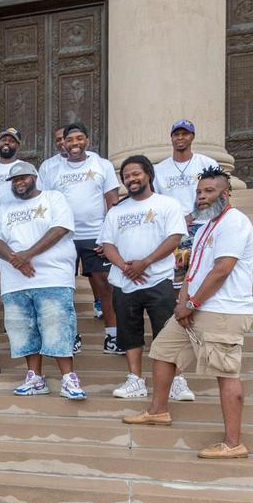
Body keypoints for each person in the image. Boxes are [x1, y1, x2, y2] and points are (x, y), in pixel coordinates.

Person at [124, 168, 253, 459]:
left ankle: (233, 443)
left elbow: (222, 270)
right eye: (199, 192)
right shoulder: (205, 226)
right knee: (162, 351)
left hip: (223, 310)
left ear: (225, 194)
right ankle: (158, 410)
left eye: (209, 192)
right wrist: (182, 301)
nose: (202, 197)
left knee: (225, 373)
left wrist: (192, 304)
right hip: (195, 307)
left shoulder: (234, 223)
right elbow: (192, 269)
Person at [0, 161, 86, 399]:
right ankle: (35, 378)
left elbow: (60, 229)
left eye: (23, 178)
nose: (19, 183)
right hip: (16, 281)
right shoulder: (4, 208)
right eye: (15, 180)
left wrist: (27, 255)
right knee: (23, 330)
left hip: (52, 276)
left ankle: (68, 379)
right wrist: (15, 260)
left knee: (58, 327)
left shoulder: (54, 198)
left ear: (34, 177)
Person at [99, 156, 188, 400]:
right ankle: (135, 380)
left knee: (167, 332)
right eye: (126, 176)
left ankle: (177, 380)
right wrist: (125, 267)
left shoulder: (167, 204)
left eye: (136, 174)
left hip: (158, 279)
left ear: (148, 174)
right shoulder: (116, 211)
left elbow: (174, 238)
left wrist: (145, 263)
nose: (131, 179)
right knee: (129, 332)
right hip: (124, 283)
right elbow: (107, 244)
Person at [38, 122, 120, 353]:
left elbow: (112, 202)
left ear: (87, 140)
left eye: (79, 139)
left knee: (105, 284)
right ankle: (71, 335)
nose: (74, 144)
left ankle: (112, 335)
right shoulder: (50, 168)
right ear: (63, 143)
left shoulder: (102, 165)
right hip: (63, 236)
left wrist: (109, 237)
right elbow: (44, 203)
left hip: (96, 235)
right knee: (64, 286)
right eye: (69, 140)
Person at [153, 120, 218, 221]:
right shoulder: (158, 170)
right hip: (172, 225)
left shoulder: (208, 164)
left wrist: (192, 216)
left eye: (185, 134)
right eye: (176, 134)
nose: (180, 137)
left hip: (203, 223)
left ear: (192, 136)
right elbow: (155, 202)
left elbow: (218, 195)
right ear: (171, 138)